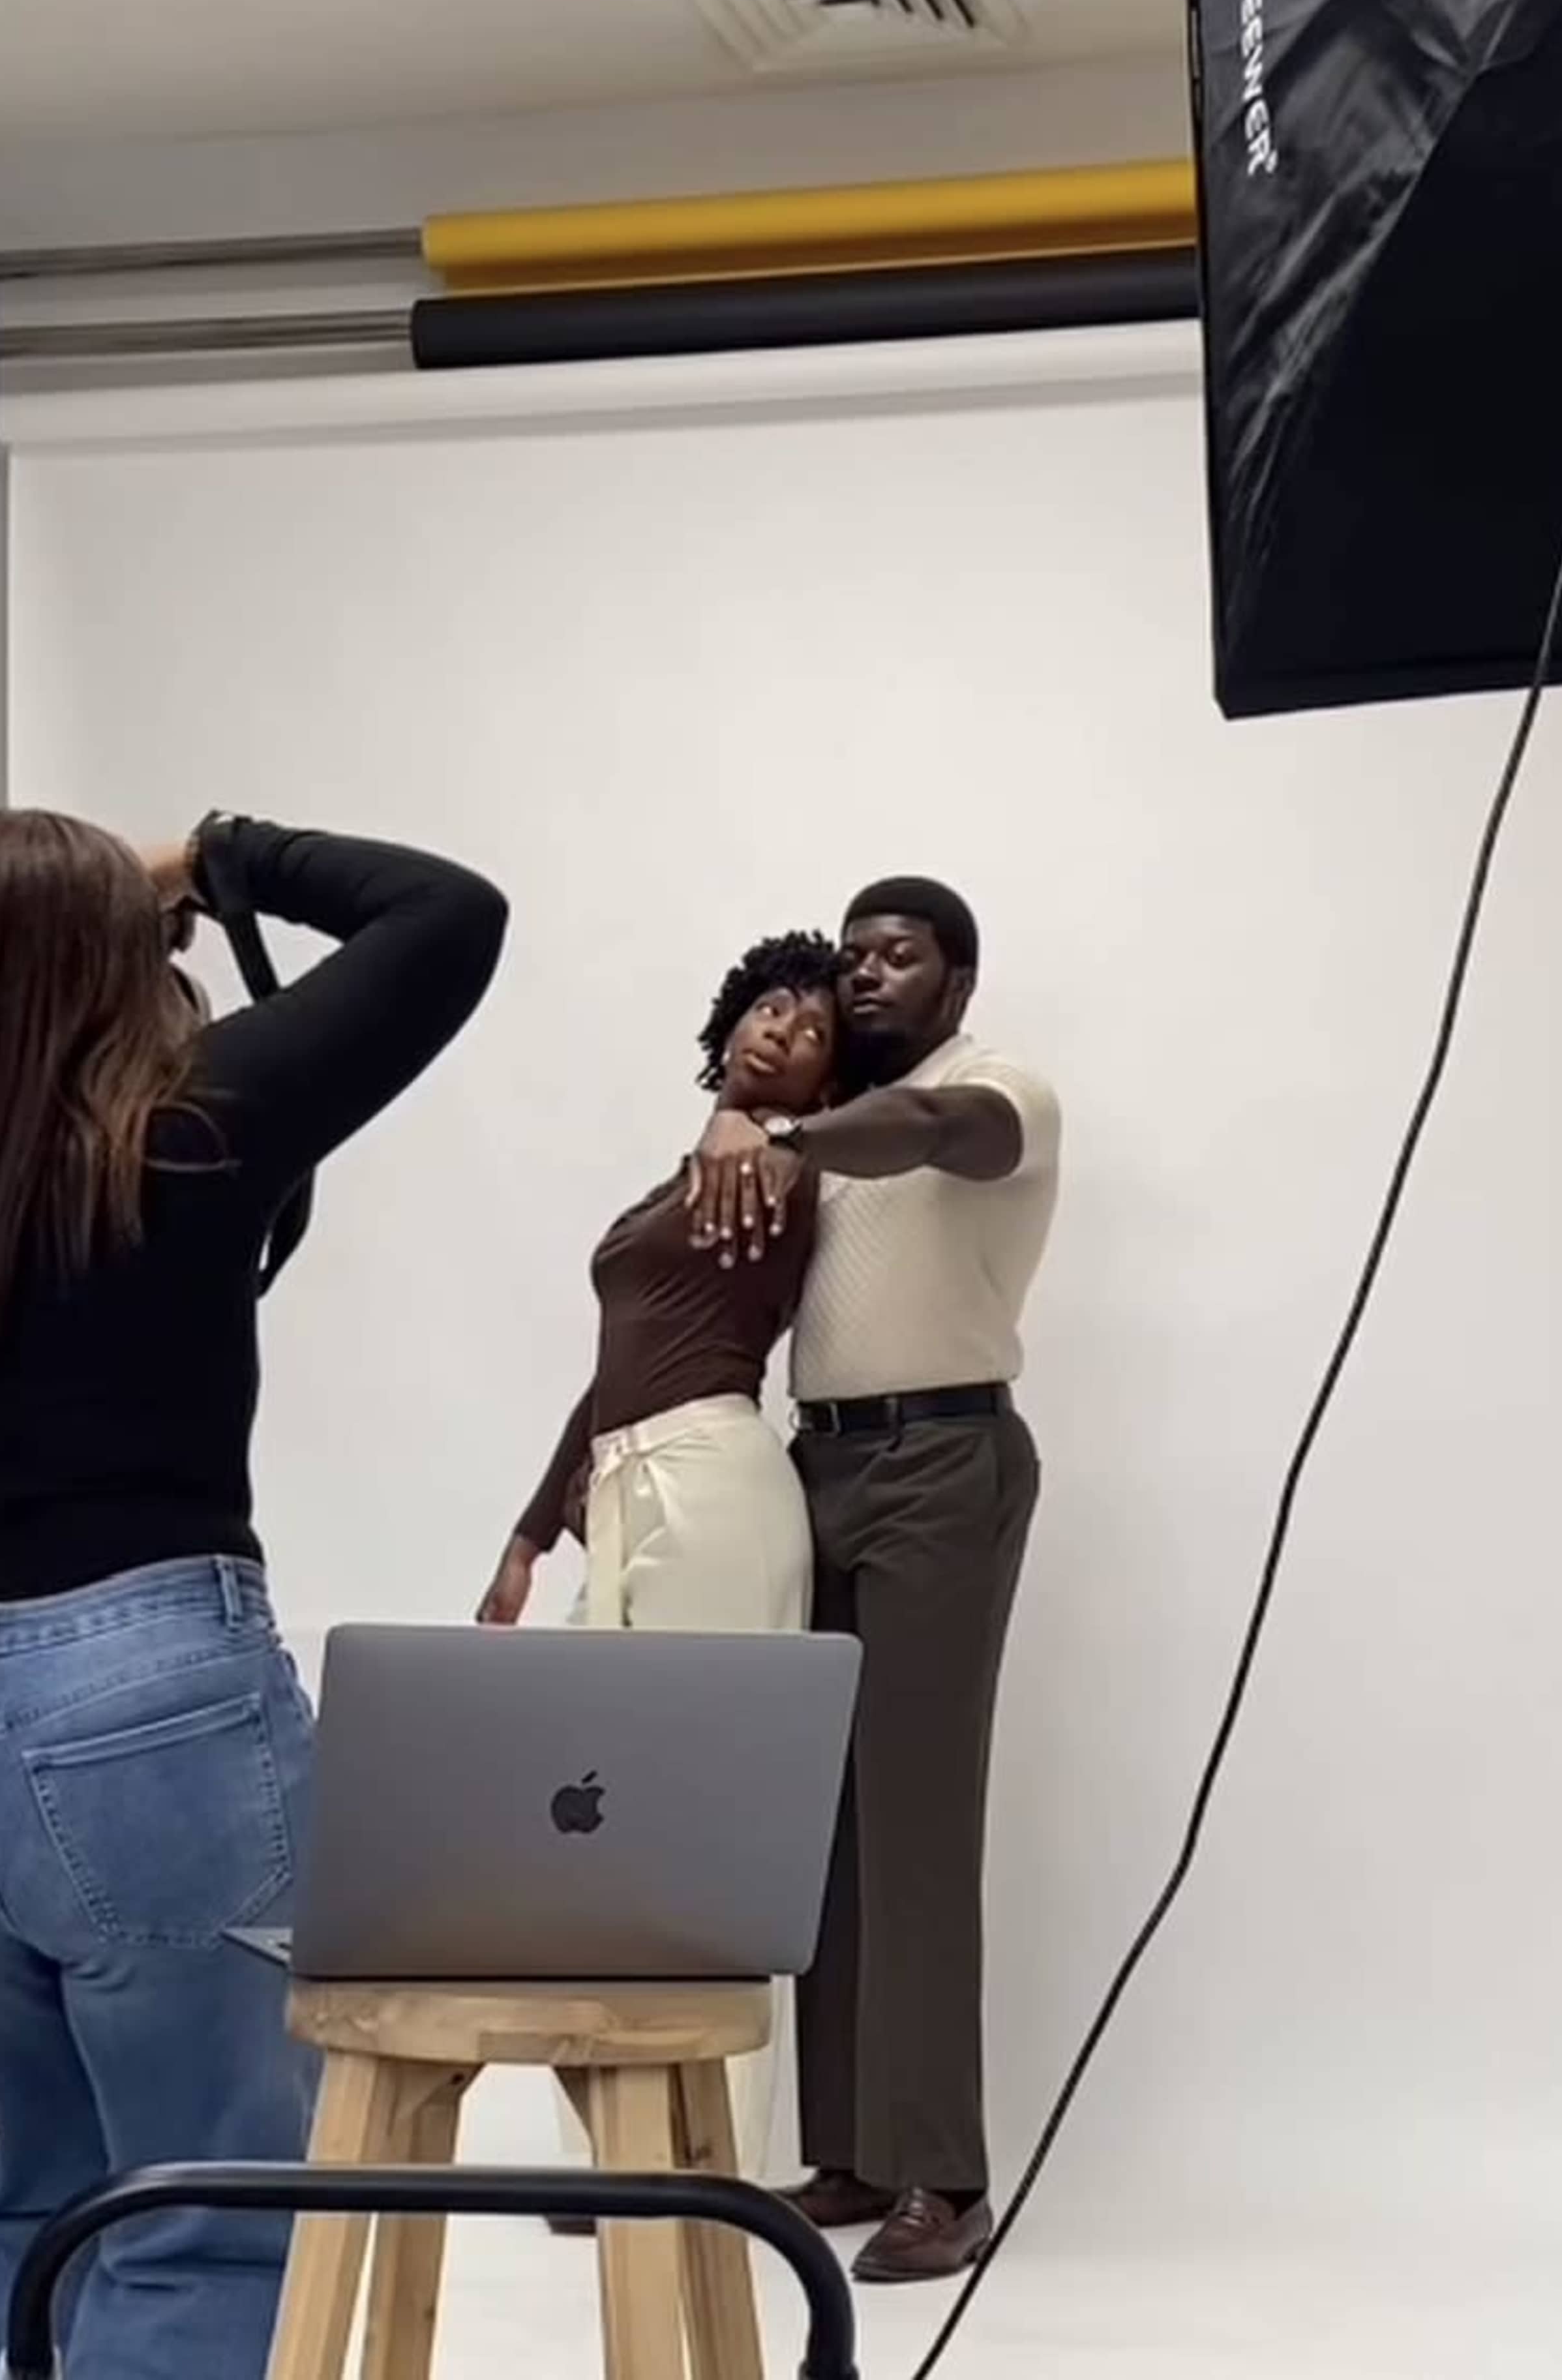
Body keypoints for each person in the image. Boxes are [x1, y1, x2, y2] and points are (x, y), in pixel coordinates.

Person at [0, 808, 504, 2380]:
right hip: (138, 1712)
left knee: (25, 2190)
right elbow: (447, 917)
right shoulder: (190, 1131)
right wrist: (212, 859)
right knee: (206, 2208)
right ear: (106, 966)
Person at [685, 877, 1057, 2285]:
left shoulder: (988, 1092)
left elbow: (932, 1135)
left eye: (900, 956)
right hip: (815, 1469)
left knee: (916, 1821)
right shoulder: (821, 1135)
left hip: (942, 1463)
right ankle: (850, 2150)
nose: (868, 976)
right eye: (852, 958)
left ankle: (945, 2177)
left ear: (959, 982)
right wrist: (740, 1113)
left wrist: (766, 1120)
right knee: (826, 1824)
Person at [478, 928, 845, 2199]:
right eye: (770, 1007)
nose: (782, 1031)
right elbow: (613, 1364)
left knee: (707, 1827)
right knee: (604, 1829)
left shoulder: (783, 1173)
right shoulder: (684, 1176)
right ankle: (616, 2156)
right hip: (628, 1487)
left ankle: (717, 2165)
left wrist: (767, 1137)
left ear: (829, 1085)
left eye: (812, 1032)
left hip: (714, 1483)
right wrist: (531, 1534)